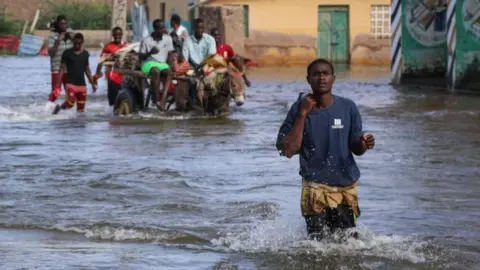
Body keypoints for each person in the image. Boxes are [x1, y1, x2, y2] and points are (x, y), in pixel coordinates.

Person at [275, 58, 375, 241]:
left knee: (348, 243)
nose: (321, 78)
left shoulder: (348, 107)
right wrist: (303, 113)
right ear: (308, 79)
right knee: (317, 245)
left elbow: (356, 146)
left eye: (325, 73)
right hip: (314, 189)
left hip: (344, 187)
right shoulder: (298, 108)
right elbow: (288, 149)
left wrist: (363, 144)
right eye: (316, 74)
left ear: (333, 79)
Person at [52, 33, 97, 115]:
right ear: (73, 42)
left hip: (82, 86)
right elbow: (62, 68)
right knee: (71, 103)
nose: (77, 45)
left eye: (79, 43)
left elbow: (87, 69)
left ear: (82, 42)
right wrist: (58, 83)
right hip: (70, 84)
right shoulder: (67, 53)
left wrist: (92, 83)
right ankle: (59, 109)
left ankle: (77, 126)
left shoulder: (85, 54)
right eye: (75, 43)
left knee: (81, 110)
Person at [139, 19, 174, 110]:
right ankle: (157, 99)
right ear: (154, 29)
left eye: (163, 28)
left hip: (162, 63)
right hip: (148, 63)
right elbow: (141, 56)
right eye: (160, 28)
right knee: (156, 71)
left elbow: (170, 54)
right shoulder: (146, 40)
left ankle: (163, 100)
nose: (163, 30)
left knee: (169, 72)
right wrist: (150, 52)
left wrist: (173, 65)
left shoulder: (168, 38)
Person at [94, 27, 128, 107]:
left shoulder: (126, 46)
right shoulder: (108, 47)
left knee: (124, 97)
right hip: (112, 75)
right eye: (115, 34)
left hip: (124, 75)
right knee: (112, 98)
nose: (117, 36)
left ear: (122, 35)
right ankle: (112, 113)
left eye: (119, 34)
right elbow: (101, 61)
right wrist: (97, 73)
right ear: (113, 35)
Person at [47, 15, 74, 102]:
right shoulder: (53, 36)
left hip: (69, 69)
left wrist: (74, 39)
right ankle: (49, 108)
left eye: (65, 24)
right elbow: (51, 53)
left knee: (71, 93)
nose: (63, 26)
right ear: (57, 25)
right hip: (57, 68)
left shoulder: (71, 34)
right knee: (55, 92)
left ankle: (69, 111)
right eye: (61, 24)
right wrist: (58, 40)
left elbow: (80, 50)